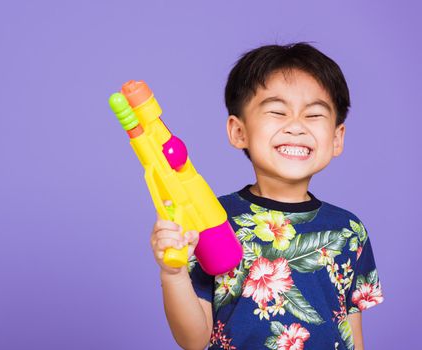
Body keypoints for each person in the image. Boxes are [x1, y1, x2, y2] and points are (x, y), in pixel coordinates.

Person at [150, 42, 383, 350]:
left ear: (337, 138)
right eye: (277, 111)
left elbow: (352, 334)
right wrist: (173, 273)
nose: (296, 127)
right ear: (238, 131)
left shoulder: (349, 230)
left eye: (314, 115)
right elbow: (193, 340)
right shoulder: (209, 220)